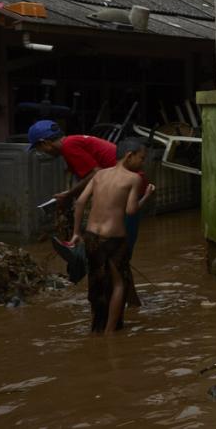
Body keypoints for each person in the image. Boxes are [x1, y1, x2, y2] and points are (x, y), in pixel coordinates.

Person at [69, 138, 154, 334]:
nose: (143, 163)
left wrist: (75, 233)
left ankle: (96, 328)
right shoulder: (134, 178)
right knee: (119, 284)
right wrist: (146, 196)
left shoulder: (99, 175)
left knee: (96, 282)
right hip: (114, 239)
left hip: (91, 236)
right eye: (141, 158)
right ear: (129, 156)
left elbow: (80, 202)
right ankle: (109, 333)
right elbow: (131, 211)